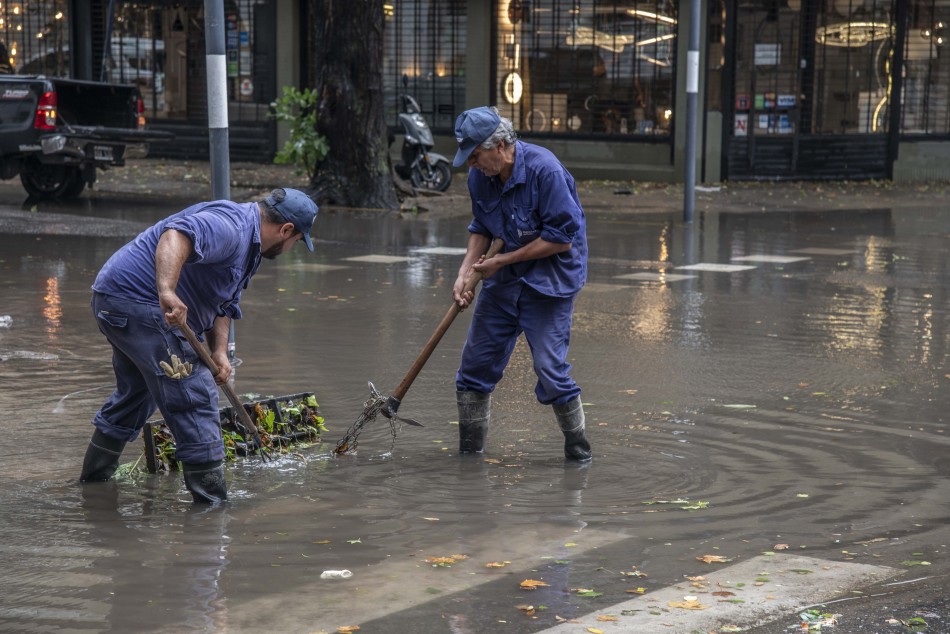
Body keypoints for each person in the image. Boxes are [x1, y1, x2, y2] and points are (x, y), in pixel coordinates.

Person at [79, 188, 319, 503]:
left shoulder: (251, 246)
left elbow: (223, 302)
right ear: (286, 230)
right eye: (297, 241)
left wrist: (219, 351)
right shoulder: (231, 227)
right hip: (139, 303)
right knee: (194, 396)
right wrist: (167, 290)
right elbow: (175, 236)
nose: (291, 248)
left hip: (117, 302)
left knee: (138, 394)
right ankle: (212, 513)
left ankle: (94, 487)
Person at [451, 106, 591, 462]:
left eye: (475, 156)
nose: (471, 165)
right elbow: (482, 227)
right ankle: (469, 457)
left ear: (500, 145)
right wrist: (466, 271)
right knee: (473, 369)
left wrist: (502, 261)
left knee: (550, 369)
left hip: (549, 283)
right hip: (502, 284)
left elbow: (561, 239)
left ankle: (579, 453)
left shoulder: (546, 171)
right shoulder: (479, 177)